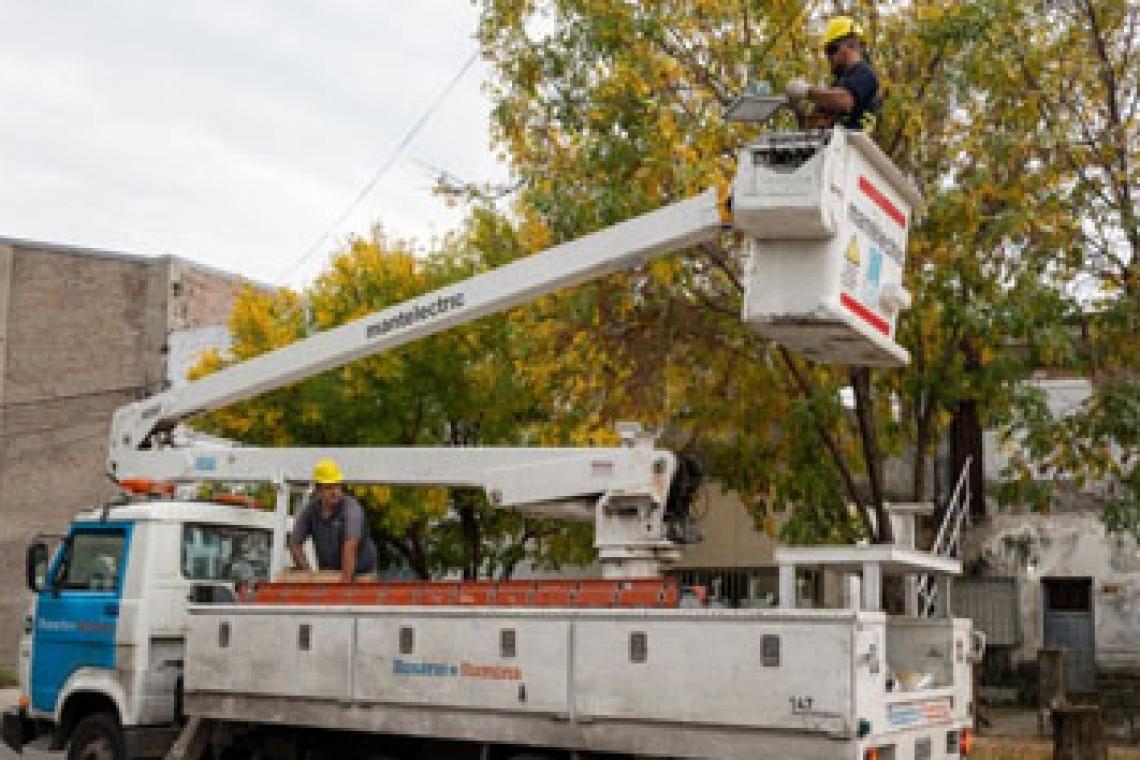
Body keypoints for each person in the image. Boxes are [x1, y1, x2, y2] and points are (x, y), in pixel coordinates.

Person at [785, 16, 881, 131]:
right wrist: (797, 107)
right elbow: (810, 127)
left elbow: (844, 101)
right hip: (835, 146)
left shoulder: (865, 74)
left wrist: (806, 91)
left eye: (832, 49)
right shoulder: (837, 85)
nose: (829, 57)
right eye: (826, 52)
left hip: (853, 146)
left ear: (851, 45)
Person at [289, 458, 378, 582]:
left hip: (361, 574)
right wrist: (309, 575)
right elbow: (295, 543)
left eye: (337, 486)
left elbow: (350, 546)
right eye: (329, 487)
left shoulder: (351, 509)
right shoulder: (311, 510)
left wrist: (343, 588)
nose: (335, 492)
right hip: (331, 573)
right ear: (318, 490)